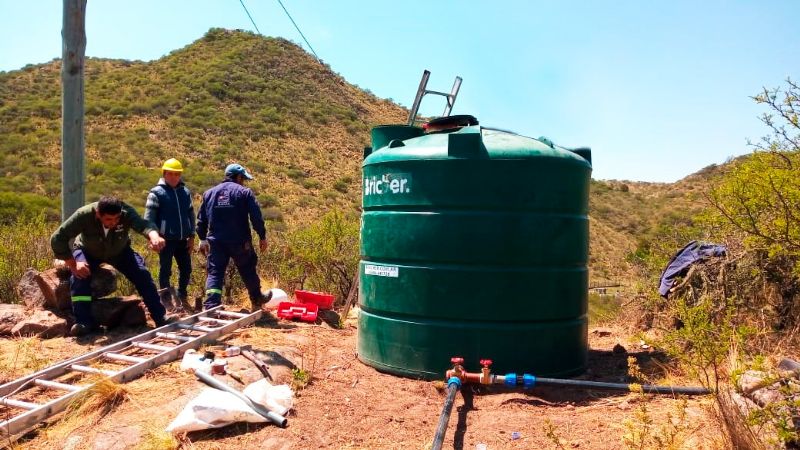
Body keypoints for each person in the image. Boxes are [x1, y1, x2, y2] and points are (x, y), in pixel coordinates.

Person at [51, 196, 177, 336]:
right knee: (80, 277)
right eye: (109, 219)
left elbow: (143, 225)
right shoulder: (84, 215)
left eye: (116, 219)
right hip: (88, 251)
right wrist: (73, 264)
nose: (113, 222)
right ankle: (84, 323)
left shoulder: (126, 212)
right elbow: (58, 238)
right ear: (98, 214)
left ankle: (160, 317)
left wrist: (154, 236)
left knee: (142, 274)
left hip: (120, 251)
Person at [196, 163, 272, 311]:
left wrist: (202, 238)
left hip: (216, 242)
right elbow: (256, 217)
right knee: (247, 268)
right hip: (239, 242)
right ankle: (257, 299)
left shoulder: (209, 193)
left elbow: (201, 220)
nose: (243, 182)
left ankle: (212, 306)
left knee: (215, 272)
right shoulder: (245, 193)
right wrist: (262, 236)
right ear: (238, 177)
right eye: (243, 179)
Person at [144, 158, 195, 312]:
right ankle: (166, 300)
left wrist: (192, 236)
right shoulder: (156, 193)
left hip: (182, 239)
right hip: (165, 240)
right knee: (165, 270)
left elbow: (191, 215)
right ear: (164, 174)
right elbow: (148, 219)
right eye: (171, 174)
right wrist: (152, 238)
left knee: (186, 269)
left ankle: (182, 296)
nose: (174, 177)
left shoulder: (185, 192)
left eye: (177, 174)